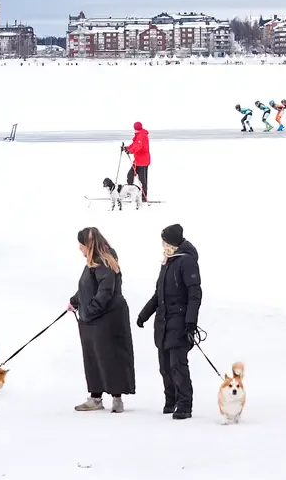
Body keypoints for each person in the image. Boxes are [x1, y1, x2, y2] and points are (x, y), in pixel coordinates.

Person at [136, 224, 202, 420]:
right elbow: (159, 294)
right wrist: (144, 314)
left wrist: (190, 322)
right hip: (164, 323)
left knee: (177, 365)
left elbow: (195, 294)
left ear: (172, 242)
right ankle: (170, 400)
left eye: (164, 241)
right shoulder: (168, 262)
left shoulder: (187, 262)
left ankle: (184, 404)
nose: (162, 244)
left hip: (180, 322)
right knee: (164, 366)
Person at [69, 227, 135, 413]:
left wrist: (89, 311)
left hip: (106, 317)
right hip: (95, 318)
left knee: (110, 356)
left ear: (88, 245)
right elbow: (87, 287)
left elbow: (105, 292)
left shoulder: (104, 262)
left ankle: (116, 398)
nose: (79, 249)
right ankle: (96, 397)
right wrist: (75, 301)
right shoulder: (94, 261)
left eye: (81, 245)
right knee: (94, 357)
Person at [124, 121, 151, 198]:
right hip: (137, 161)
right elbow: (134, 144)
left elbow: (138, 146)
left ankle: (144, 196)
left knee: (142, 180)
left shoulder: (141, 135)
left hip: (143, 162)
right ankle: (130, 192)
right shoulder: (138, 134)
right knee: (130, 175)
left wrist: (130, 151)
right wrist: (127, 148)